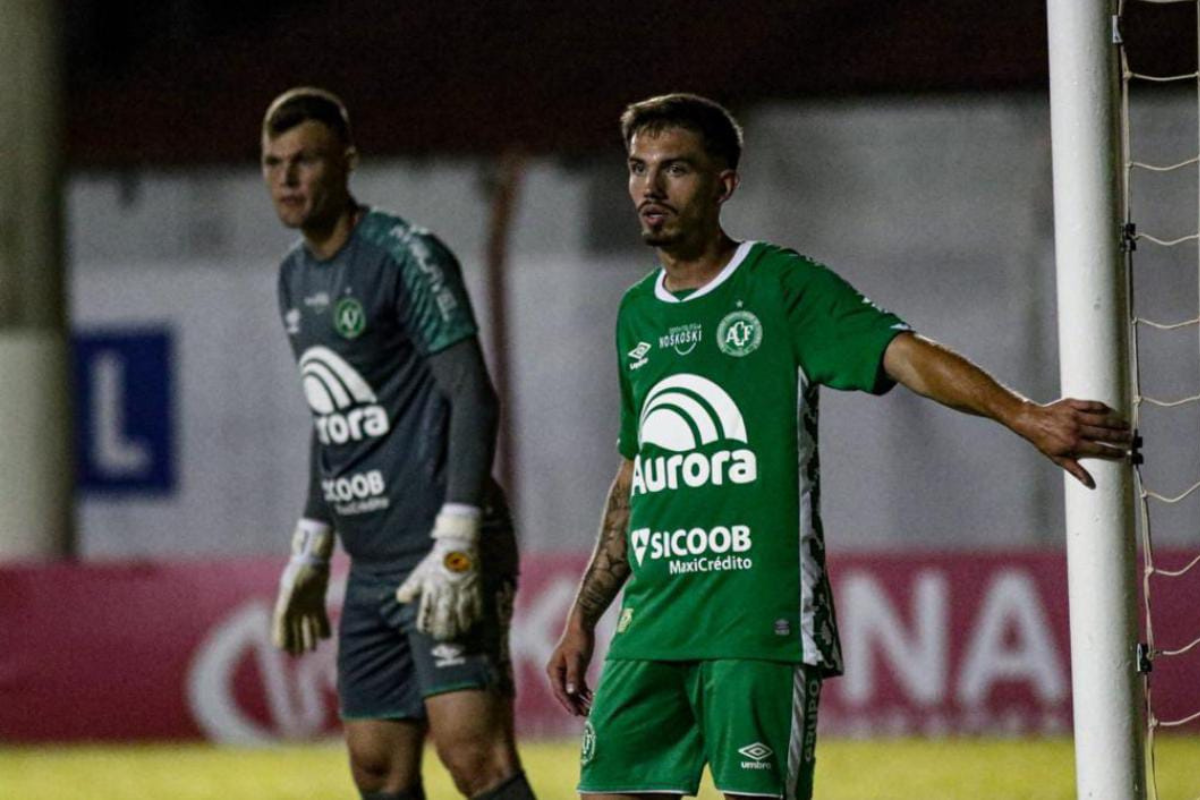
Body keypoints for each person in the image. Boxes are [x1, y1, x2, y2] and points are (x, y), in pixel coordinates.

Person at [545, 93, 1132, 800]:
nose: (649, 188)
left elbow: (902, 353)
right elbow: (636, 474)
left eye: (676, 170)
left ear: (724, 184)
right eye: (638, 169)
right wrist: (584, 614)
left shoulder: (779, 286)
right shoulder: (636, 314)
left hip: (756, 626)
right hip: (651, 629)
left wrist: (1024, 415)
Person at [262, 87, 535, 800]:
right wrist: (312, 545)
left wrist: (457, 540)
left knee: (474, 759)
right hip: (371, 564)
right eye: (272, 163)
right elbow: (334, 418)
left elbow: (472, 396)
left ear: (347, 164)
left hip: (445, 548)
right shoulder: (292, 277)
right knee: (378, 770)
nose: (287, 179)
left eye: (305, 161)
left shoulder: (404, 256)